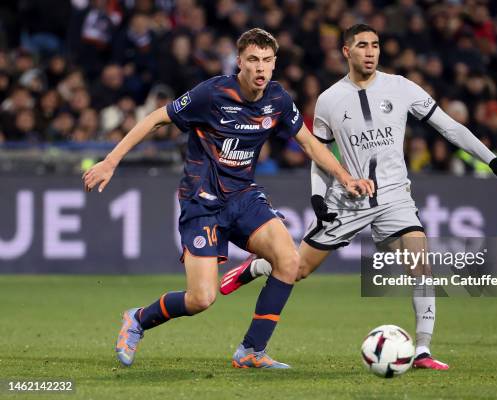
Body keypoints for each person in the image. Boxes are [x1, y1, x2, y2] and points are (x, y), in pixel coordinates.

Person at [220, 24, 497, 371]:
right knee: (297, 269)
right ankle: (258, 267)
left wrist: (492, 159)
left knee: (421, 263)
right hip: (348, 200)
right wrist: (319, 198)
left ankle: (421, 349)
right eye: (362, 45)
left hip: (395, 197)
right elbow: (320, 156)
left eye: (375, 45)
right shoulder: (330, 100)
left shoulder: (401, 87)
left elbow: (448, 126)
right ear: (346, 52)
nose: (370, 52)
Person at [82, 28, 373, 369]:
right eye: (253, 60)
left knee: (289, 261)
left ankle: (251, 350)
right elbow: (157, 119)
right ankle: (138, 319)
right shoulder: (212, 94)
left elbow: (309, 143)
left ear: (275, 63)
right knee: (201, 299)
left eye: (266, 60)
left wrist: (345, 177)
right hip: (201, 201)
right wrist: (111, 160)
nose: (260, 68)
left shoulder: (277, 100)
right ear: (239, 62)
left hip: (244, 197)